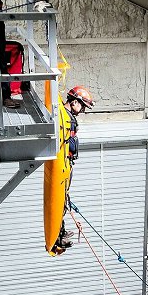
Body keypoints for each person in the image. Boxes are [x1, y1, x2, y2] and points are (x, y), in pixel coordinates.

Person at [51, 86, 95, 255]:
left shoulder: (66, 116)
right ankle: (57, 237)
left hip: (67, 164)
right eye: (82, 106)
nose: (82, 110)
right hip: (64, 164)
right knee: (60, 201)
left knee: (63, 201)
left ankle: (60, 233)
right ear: (74, 101)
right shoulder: (65, 117)